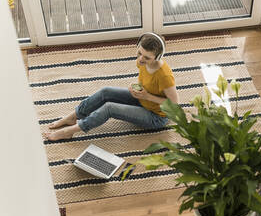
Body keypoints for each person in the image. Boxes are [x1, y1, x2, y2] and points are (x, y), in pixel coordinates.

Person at [44, 32, 178, 141]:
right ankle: (73, 116)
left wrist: (147, 96)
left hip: (157, 116)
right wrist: (135, 87)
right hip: (143, 101)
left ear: (158, 57)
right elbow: (147, 82)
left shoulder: (164, 76)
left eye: (147, 57)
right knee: (105, 91)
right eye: (139, 53)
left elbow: (174, 104)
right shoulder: (142, 61)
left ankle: (70, 131)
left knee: (109, 108)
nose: (141, 59)